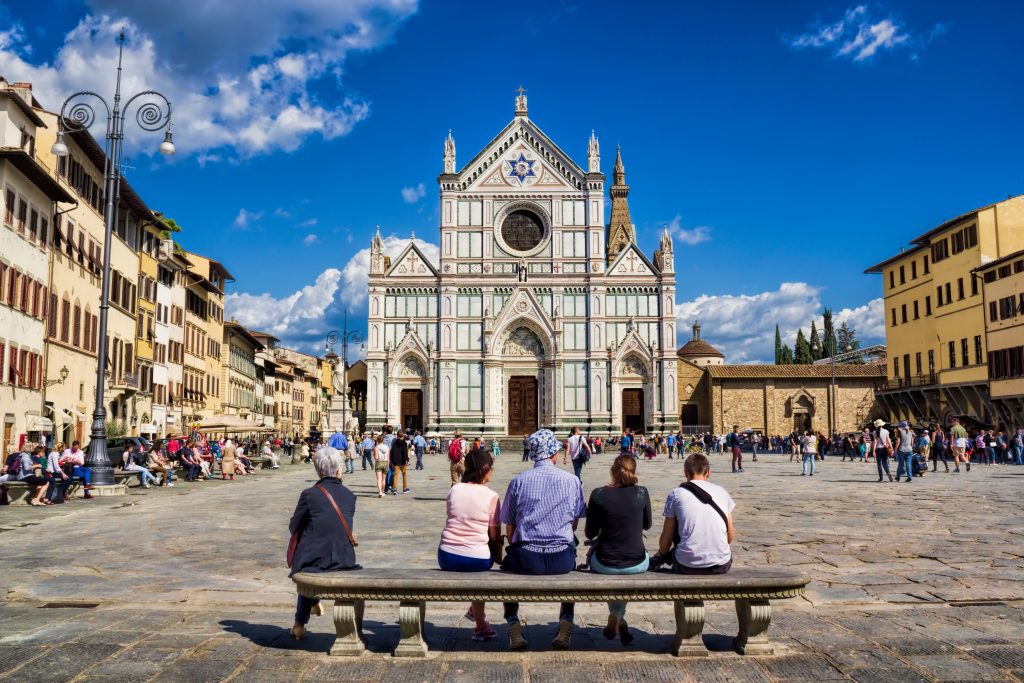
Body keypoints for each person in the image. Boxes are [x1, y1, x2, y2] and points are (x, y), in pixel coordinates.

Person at [499, 429, 586, 651]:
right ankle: (566, 619)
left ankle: (513, 622)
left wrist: (516, 545)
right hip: (562, 559)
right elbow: (574, 524)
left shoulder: (518, 481)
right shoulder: (572, 481)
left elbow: (509, 525)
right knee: (572, 568)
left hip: (526, 558)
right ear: (553, 454)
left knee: (507, 570)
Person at [288, 446, 359, 640]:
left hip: (313, 559)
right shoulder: (350, 495)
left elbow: (294, 526)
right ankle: (312, 604)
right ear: (339, 468)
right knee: (317, 557)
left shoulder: (309, 494)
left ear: (317, 470)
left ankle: (299, 623)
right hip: (344, 558)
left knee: (308, 562)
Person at [585, 454, 651, 646]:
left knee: (610, 565)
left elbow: (590, 533)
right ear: (634, 471)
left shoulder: (598, 494)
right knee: (625, 566)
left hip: (604, 563)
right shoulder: (641, 492)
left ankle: (616, 614)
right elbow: (647, 525)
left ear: (612, 471)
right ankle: (618, 617)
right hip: (637, 562)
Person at [438, 448, 502, 641]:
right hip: (477, 560)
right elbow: (494, 535)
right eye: (492, 467)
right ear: (484, 469)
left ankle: (477, 617)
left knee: (478, 561)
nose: (493, 471)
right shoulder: (492, 496)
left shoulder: (454, 489)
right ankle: (480, 624)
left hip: (446, 556)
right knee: (483, 564)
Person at [655, 453, 735, 574]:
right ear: (708, 473)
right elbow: (730, 537)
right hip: (721, 564)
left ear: (685, 473)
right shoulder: (722, 492)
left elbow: (665, 543)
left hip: (686, 565)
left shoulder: (676, 494)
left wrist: (661, 553)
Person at [389, 429, 410, 494]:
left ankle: (394, 489)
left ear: (397, 436)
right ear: (403, 435)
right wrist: (407, 460)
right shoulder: (404, 443)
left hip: (396, 462)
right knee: (404, 475)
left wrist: (392, 461)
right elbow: (405, 452)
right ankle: (404, 489)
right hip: (403, 461)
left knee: (395, 475)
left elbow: (392, 452)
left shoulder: (394, 443)